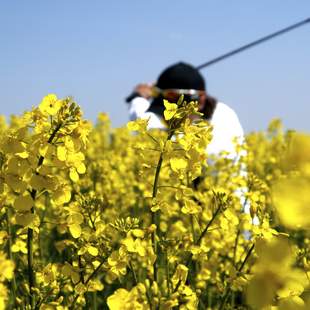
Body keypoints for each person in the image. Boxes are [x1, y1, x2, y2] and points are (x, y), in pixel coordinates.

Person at [126, 62, 244, 160]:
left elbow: (144, 121)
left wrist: (138, 96)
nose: (166, 119)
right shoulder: (225, 111)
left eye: (178, 112)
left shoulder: (221, 123)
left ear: (200, 100)